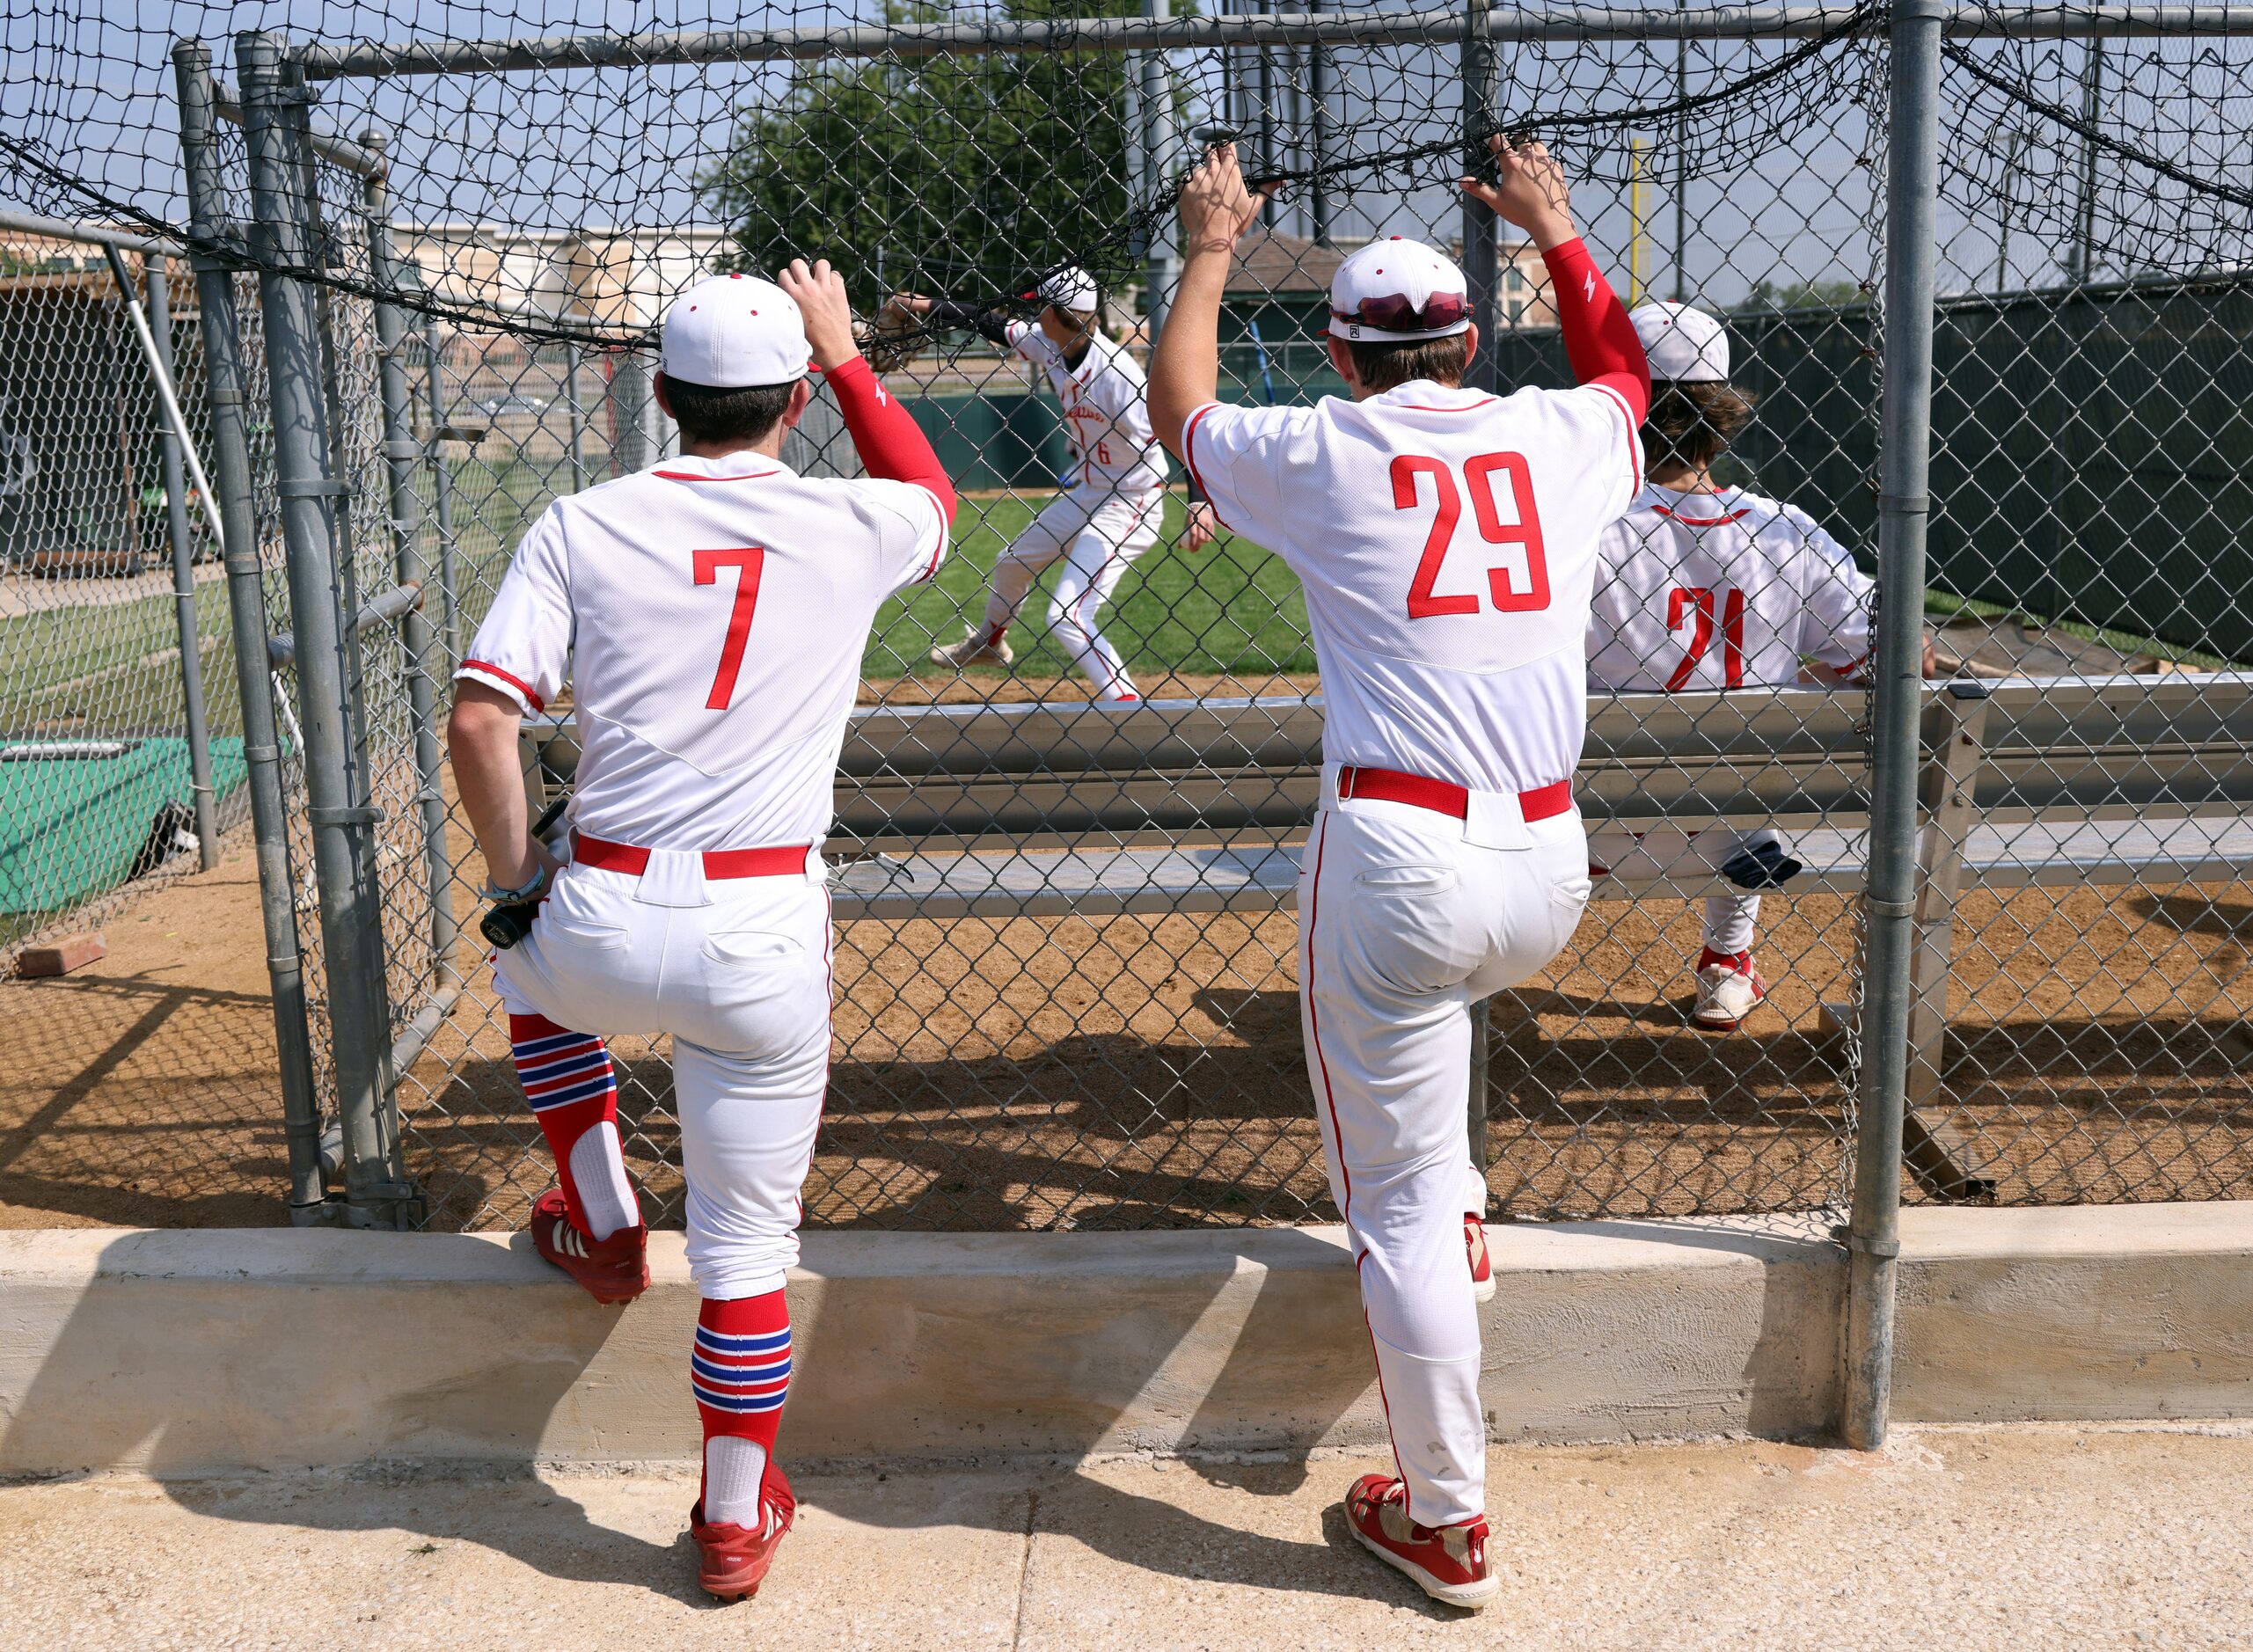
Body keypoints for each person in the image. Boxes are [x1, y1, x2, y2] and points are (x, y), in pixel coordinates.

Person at [1149, 138, 1649, 1610]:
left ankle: (1446, 1516)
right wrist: (1558, 231)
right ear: (1471, 338)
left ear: (1340, 354)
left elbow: (1181, 408)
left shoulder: (1321, 447)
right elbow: (1626, 376)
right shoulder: (1561, 433)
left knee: (1402, 1207)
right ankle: (1462, 1204)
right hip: (1548, 862)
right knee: (1443, 1090)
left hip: (1402, 857)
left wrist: (1210, 245)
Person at [444, 261, 955, 1602]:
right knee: (745, 1243)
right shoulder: (851, 523)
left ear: (660, 396)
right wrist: (852, 352)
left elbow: (483, 719)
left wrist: (516, 880)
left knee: (529, 969)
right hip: (763, 926)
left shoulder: (581, 519)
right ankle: (732, 1520)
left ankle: (604, 1218)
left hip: (604, 901)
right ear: (791, 400)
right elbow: (936, 501)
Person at [1585, 302, 1931, 1030]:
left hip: (1591, 836)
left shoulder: (1579, 527)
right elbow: (1895, 656)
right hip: (1745, 834)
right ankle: (1726, 963)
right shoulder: (1787, 531)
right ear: (1723, 410)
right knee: (1749, 737)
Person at [896, 268, 1216, 703]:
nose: (1033, 312)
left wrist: (1198, 501)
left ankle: (1126, 705)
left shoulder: (1117, 375)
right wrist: (920, 305)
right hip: (1090, 490)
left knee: (1068, 614)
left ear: (1053, 313)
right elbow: (986, 321)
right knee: (1012, 561)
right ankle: (989, 642)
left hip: (1133, 500)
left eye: (1039, 305)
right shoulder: (1051, 341)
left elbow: (1175, 431)